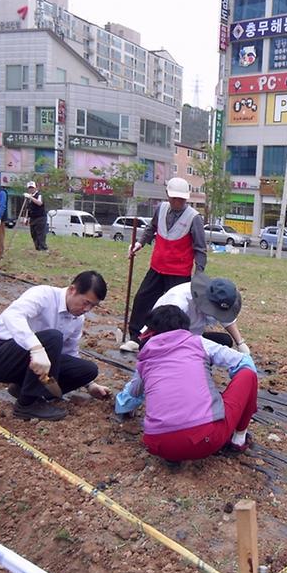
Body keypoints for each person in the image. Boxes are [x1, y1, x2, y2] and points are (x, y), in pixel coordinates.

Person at [130, 304, 258, 462]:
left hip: (157, 444)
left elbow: (133, 392)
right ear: (185, 327)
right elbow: (244, 360)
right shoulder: (197, 342)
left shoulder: (145, 356)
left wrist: (122, 407)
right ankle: (238, 440)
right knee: (248, 375)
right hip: (203, 440)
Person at [0, 271, 110, 422]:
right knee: (53, 337)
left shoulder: (77, 319)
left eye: (93, 306)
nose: (87, 309)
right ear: (72, 290)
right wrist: (36, 348)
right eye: (86, 302)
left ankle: (23, 389)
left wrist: (90, 385)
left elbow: (70, 352)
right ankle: (27, 405)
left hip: (29, 365)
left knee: (88, 370)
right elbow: (12, 315)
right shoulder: (43, 295)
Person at [114, 272, 250, 415]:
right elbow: (160, 336)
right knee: (147, 373)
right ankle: (126, 403)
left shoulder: (213, 298)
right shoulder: (178, 302)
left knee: (222, 342)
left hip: (189, 338)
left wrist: (240, 342)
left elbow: (226, 319)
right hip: (160, 337)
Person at [120, 177, 206, 352]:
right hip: (157, 267)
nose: (177, 202)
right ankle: (136, 337)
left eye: (181, 199)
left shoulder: (194, 218)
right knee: (143, 300)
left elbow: (200, 248)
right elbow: (151, 229)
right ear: (167, 195)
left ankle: (172, 342)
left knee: (175, 310)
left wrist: (199, 273)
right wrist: (140, 243)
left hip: (179, 272)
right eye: (174, 198)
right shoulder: (160, 209)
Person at [23, 180, 48, 251]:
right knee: (33, 234)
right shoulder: (28, 198)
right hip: (32, 218)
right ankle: (38, 248)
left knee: (40, 234)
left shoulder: (39, 195)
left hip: (40, 218)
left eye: (32, 188)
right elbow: (27, 208)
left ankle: (43, 248)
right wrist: (26, 218)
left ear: (35, 188)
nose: (31, 189)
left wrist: (31, 197)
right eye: (29, 188)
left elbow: (39, 203)